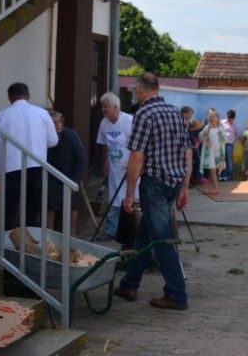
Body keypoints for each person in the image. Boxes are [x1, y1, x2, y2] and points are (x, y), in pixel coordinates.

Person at [114, 73, 191, 311]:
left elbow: (137, 156)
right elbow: (187, 151)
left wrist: (129, 195)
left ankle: (177, 294)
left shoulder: (144, 114)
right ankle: (129, 284)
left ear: (140, 90)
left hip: (154, 184)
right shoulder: (175, 112)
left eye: (135, 91)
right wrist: (185, 187)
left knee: (160, 239)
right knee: (146, 235)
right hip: (173, 183)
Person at [0, 82, 58, 230]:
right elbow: (53, 140)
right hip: (35, 165)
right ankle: (29, 239)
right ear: (28, 95)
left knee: (9, 208)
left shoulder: (0, 115)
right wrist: (38, 145)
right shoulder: (42, 113)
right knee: (32, 207)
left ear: (10, 97)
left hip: (10, 167)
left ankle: (7, 240)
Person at [96, 92, 137, 241]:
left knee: (130, 198)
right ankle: (111, 230)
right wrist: (105, 163)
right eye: (102, 106)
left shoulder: (129, 121)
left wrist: (133, 163)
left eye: (105, 106)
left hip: (129, 169)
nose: (103, 109)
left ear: (115, 107)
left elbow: (137, 146)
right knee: (114, 197)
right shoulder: (104, 123)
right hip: (114, 168)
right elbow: (104, 144)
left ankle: (132, 230)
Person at [47, 111, 85, 235]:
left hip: (70, 175)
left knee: (72, 206)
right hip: (52, 177)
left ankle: (72, 234)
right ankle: (49, 235)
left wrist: (75, 179)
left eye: (59, 121)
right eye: (54, 122)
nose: (57, 125)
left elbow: (81, 157)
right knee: (50, 205)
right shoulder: (45, 135)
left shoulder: (71, 135)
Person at [200, 111, 226, 196]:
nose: (211, 118)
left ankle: (209, 188)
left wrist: (221, 135)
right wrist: (206, 133)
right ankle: (215, 188)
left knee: (212, 171)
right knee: (212, 170)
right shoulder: (207, 127)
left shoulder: (220, 129)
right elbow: (201, 137)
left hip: (217, 152)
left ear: (218, 119)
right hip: (209, 152)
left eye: (214, 117)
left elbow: (224, 140)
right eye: (210, 117)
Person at [220, 109, 240, 181]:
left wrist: (233, 140)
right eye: (229, 118)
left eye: (231, 119)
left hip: (229, 144)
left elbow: (237, 134)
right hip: (222, 144)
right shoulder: (221, 123)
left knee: (228, 159)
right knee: (222, 159)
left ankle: (229, 176)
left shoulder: (234, 126)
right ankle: (222, 176)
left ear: (233, 118)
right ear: (227, 116)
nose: (230, 120)